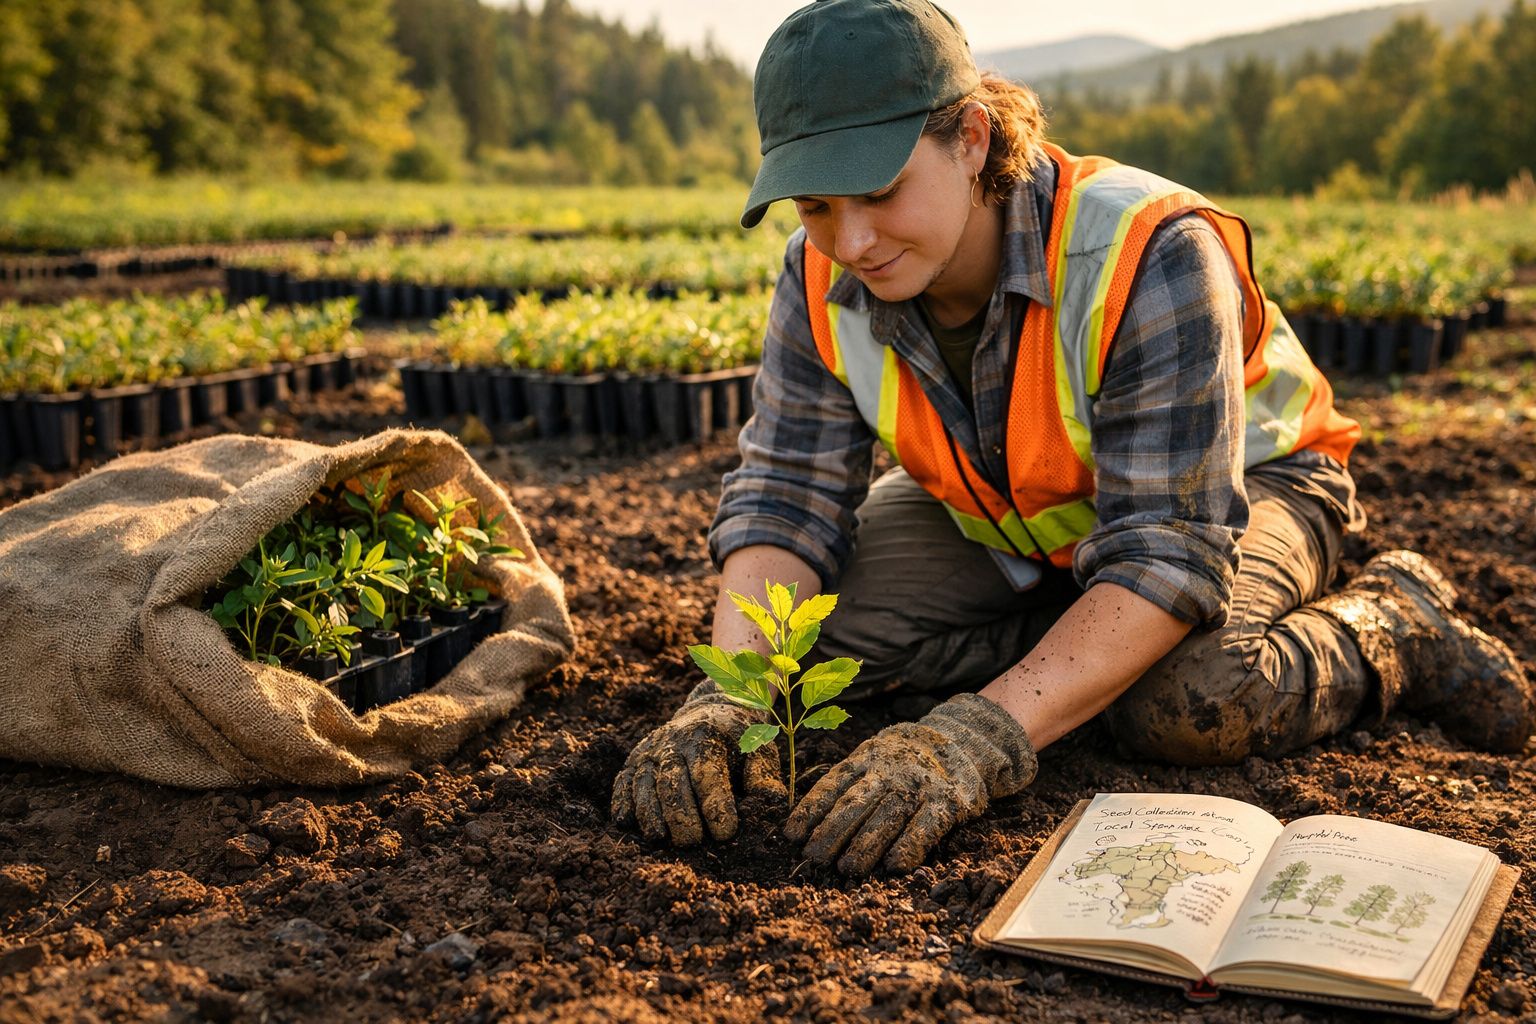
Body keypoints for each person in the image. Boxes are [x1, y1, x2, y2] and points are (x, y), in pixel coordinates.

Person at [610, 0, 1534, 875]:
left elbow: (1169, 547)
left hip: (1248, 488)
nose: (849, 240)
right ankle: (1084, 650)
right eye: (814, 206)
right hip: (1017, 514)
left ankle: (1395, 626)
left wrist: (975, 738)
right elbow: (785, 493)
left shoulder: (1146, 247)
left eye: (879, 191)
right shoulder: (817, 273)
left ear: (970, 138)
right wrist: (729, 692)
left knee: (1188, 699)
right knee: (800, 644)